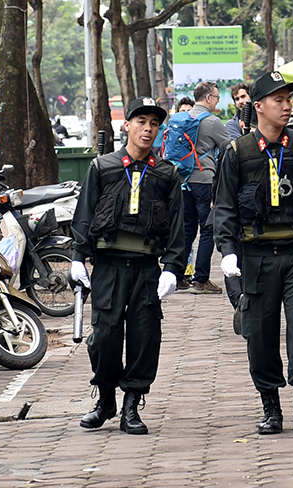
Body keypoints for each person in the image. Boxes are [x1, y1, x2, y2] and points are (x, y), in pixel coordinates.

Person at [212, 71, 293, 435]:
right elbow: (224, 207)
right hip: (256, 255)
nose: (287, 106)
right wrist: (228, 251)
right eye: (279, 100)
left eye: (289, 100)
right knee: (260, 332)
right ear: (259, 107)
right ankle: (270, 406)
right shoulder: (238, 152)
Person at [68, 97, 186, 435]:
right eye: (141, 121)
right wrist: (78, 257)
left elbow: (179, 226)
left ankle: (132, 406)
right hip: (108, 265)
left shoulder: (166, 174)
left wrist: (172, 268)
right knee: (103, 337)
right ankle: (106, 400)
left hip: (148, 268)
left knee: (144, 337)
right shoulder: (102, 167)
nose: (147, 128)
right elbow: (85, 215)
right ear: (127, 125)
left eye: (154, 123)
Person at [181, 81, 230, 294]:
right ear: (208, 98)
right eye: (217, 97)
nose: (218, 100)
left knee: (187, 230)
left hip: (182, 181)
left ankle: (180, 276)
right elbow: (229, 149)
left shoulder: (179, 118)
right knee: (208, 229)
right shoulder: (212, 121)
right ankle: (201, 279)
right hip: (204, 181)